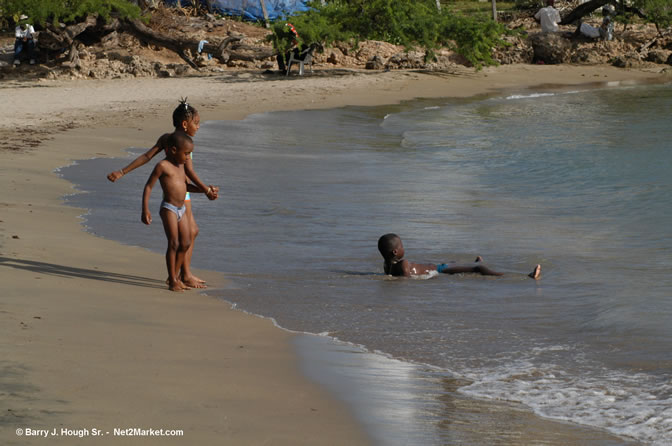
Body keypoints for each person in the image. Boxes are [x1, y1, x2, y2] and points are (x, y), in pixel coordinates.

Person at [107, 99, 218, 288]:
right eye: (196, 123)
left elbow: (146, 156)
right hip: (181, 192)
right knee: (189, 233)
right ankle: (182, 275)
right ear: (185, 124)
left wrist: (122, 172)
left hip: (183, 188)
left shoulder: (168, 139)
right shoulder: (184, 145)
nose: (198, 127)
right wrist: (206, 190)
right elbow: (188, 172)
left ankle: (181, 274)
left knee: (192, 232)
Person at [142, 132, 203, 291]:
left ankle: (173, 277)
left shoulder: (182, 166)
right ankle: (173, 280)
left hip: (181, 208)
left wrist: (205, 190)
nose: (188, 157)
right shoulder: (162, 166)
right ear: (174, 150)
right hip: (168, 208)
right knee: (174, 243)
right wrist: (145, 209)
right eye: (186, 153)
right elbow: (149, 186)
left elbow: (186, 187)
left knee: (186, 242)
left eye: (190, 154)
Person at [377, 233, 541, 279]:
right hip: (439, 270)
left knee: (455, 263)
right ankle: (526, 276)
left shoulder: (387, 266)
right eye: (402, 246)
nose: (404, 248)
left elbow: (394, 277)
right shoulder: (404, 263)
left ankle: (472, 262)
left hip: (438, 267)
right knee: (479, 268)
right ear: (395, 252)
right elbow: (406, 279)